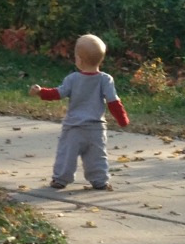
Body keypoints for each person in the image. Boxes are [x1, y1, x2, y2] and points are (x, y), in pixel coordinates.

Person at [29, 33, 129, 191]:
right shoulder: (106, 79)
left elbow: (58, 93)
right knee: (97, 157)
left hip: (74, 128)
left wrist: (41, 92)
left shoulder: (72, 79)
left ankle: (60, 179)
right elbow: (113, 102)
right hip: (96, 128)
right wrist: (122, 120)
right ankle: (100, 180)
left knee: (67, 156)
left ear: (80, 59)